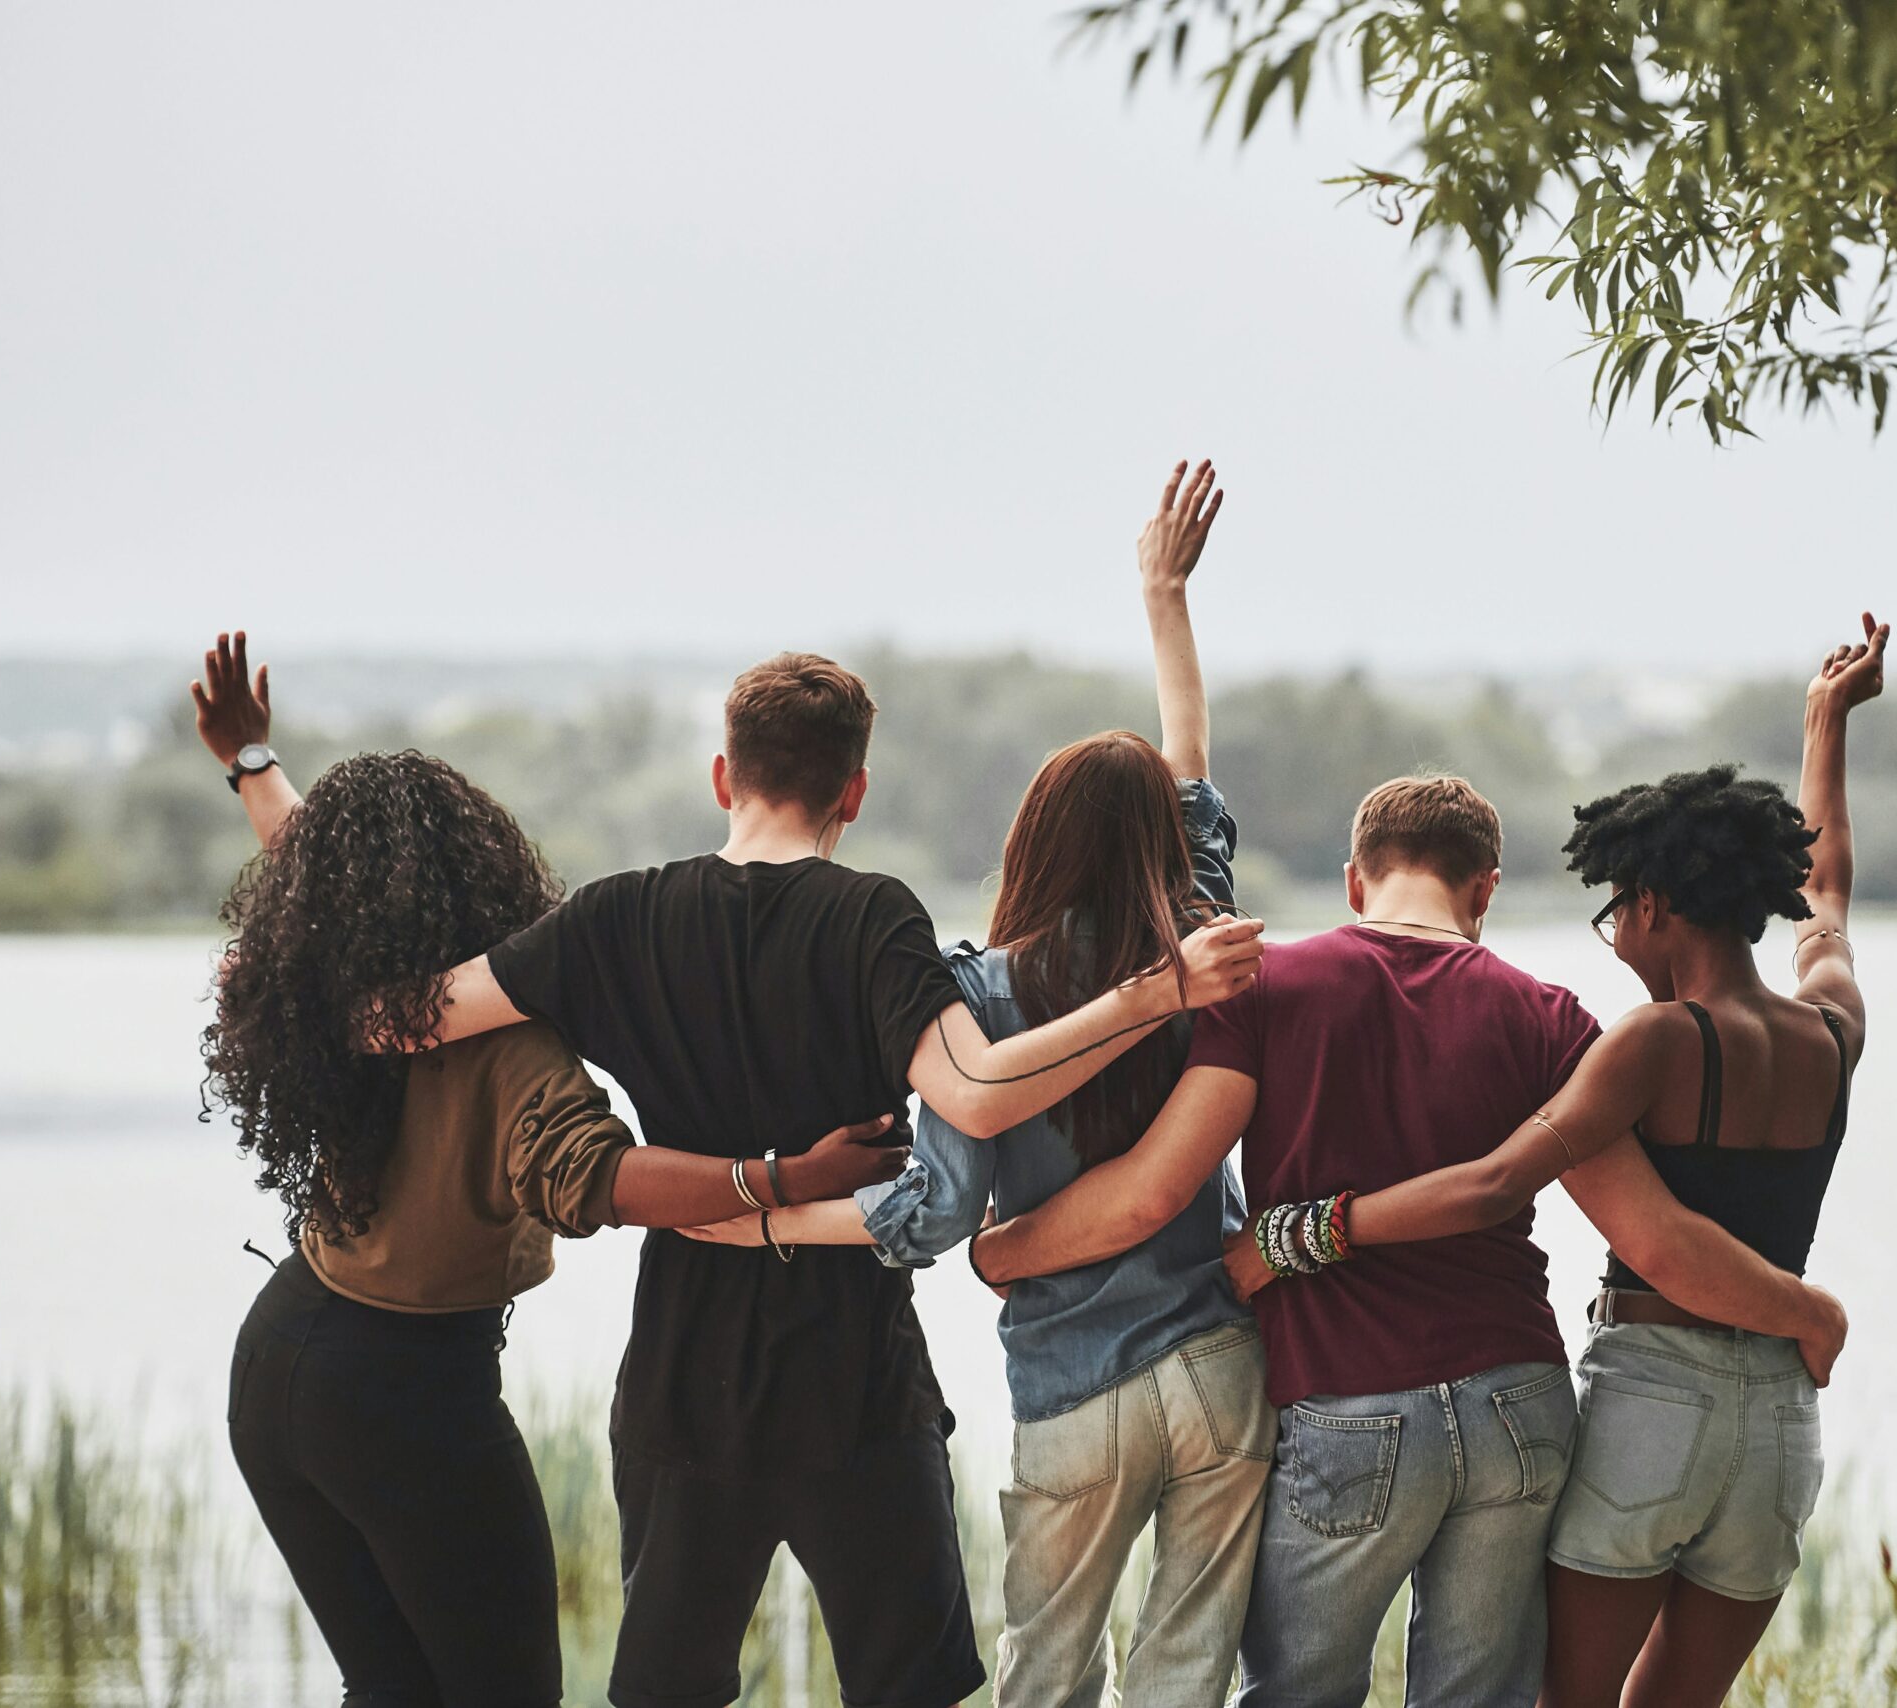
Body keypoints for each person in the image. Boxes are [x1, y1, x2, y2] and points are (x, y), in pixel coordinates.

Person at [370, 595, 1268, 1708]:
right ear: (856, 791)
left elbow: (413, 1019)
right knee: (910, 1688)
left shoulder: (611, 921)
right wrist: (1158, 991)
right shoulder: (875, 920)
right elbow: (973, 1097)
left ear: (722, 776)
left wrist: (291, 967)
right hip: (858, 1385)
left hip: (684, 1376)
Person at [969, 772, 1847, 1708]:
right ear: (1486, 889)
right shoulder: (1552, 1019)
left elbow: (1156, 1190)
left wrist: (1002, 1250)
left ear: (1355, 880)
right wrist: (1803, 1310)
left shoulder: (1268, 988)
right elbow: (1654, 1234)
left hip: (1349, 1401)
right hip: (1519, 1403)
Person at [187, 635, 911, 1708]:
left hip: (280, 1364)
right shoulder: (511, 1045)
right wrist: (784, 1174)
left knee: (391, 1688)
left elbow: (316, 864)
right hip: (406, 1390)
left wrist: (252, 763)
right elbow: (600, 1180)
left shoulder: (346, 986)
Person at [683, 461, 1271, 1708]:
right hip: (1222, 1359)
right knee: (1187, 1674)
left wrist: (768, 1216)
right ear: (1164, 849)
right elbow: (1189, 769)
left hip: (1075, 1378)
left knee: (1043, 1677)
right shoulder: (1202, 946)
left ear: (1031, 839)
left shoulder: (983, 996)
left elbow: (936, 1212)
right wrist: (1164, 598)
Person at [1224, 616, 1888, 1708]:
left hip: (1653, 1399)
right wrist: (1826, 725)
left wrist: (1298, 1234)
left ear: (1653, 905)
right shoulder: (1831, 1024)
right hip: (1777, 1421)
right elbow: (1827, 894)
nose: (1612, 935)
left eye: (1613, 910)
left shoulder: (1652, 1042)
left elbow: (1505, 1185)